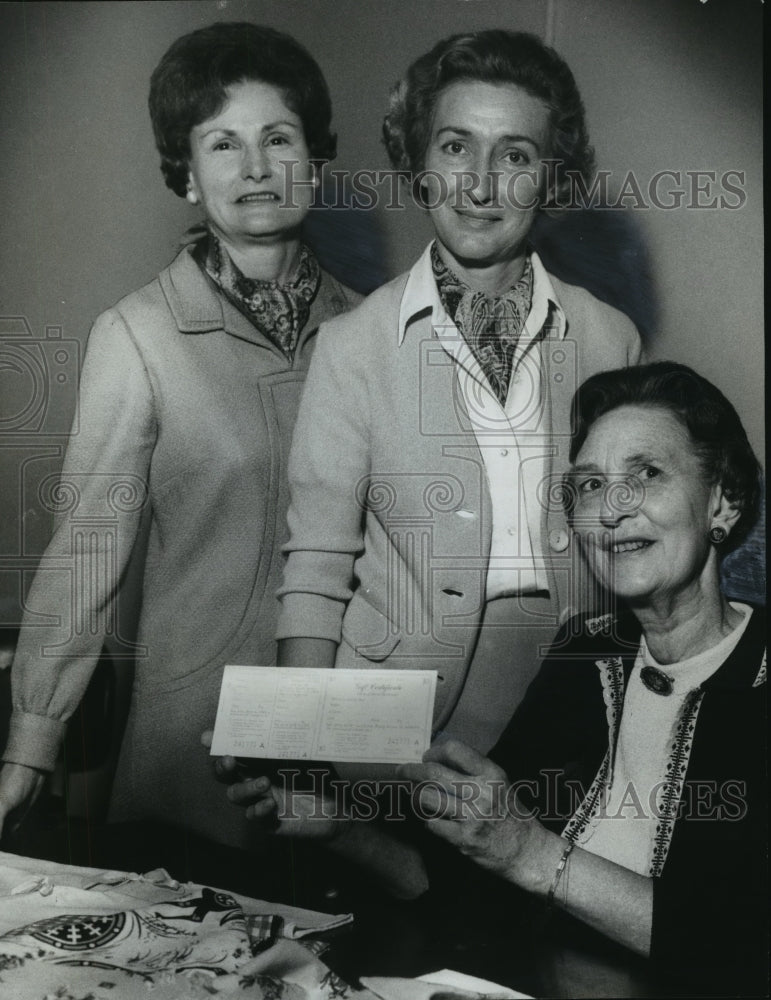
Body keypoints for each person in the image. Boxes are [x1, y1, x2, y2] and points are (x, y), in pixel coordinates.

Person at [0, 22, 360, 848]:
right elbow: (84, 556)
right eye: (223, 143)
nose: (257, 167)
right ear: (187, 175)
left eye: (279, 137)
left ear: (315, 157)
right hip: (193, 756)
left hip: (347, 761)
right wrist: (29, 748)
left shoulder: (377, 330)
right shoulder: (137, 336)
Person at [274, 30, 642, 760]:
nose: (479, 184)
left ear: (550, 175)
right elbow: (314, 569)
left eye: (513, 155)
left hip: (572, 711)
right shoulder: (352, 348)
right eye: (453, 147)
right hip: (388, 723)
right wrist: (301, 750)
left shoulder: (610, 340)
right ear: (418, 162)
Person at [397, 362, 766, 991]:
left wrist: (532, 854)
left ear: (722, 501)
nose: (610, 511)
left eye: (646, 474)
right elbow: (477, 868)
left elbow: (745, 944)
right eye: (590, 485)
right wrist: (335, 829)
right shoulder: (585, 652)